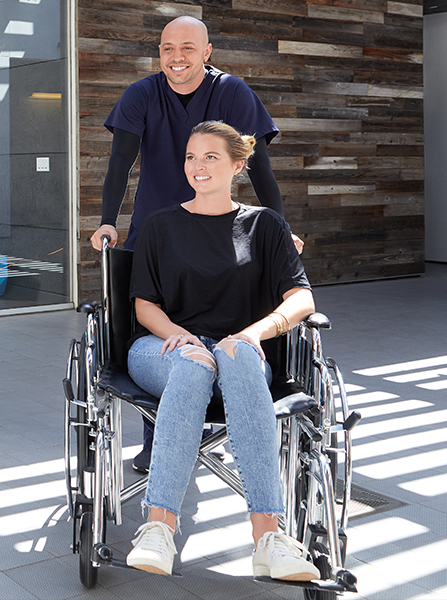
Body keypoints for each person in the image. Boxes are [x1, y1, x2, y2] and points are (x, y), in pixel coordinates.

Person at [89, 16, 303, 473]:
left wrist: (279, 226)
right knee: (159, 329)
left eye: (188, 47)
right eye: (168, 48)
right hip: (155, 227)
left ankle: (213, 432)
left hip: (216, 224)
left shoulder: (232, 92)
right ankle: (158, 438)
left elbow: (259, 165)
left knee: (219, 310)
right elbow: (120, 161)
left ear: (207, 52)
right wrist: (108, 221)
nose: (177, 57)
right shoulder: (142, 94)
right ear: (159, 52)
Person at [123, 121, 319, 582]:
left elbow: (302, 299)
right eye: (191, 157)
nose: (198, 166)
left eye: (211, 157)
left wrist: (253, 334)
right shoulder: (160, 225)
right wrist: (180, 335)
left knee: (238, 355)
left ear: (237, 165)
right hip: (165, 347)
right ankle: (159, 529)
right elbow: (144, 305)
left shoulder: (265, 225)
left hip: (238, 353)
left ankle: (269, 540)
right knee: (193, 366)